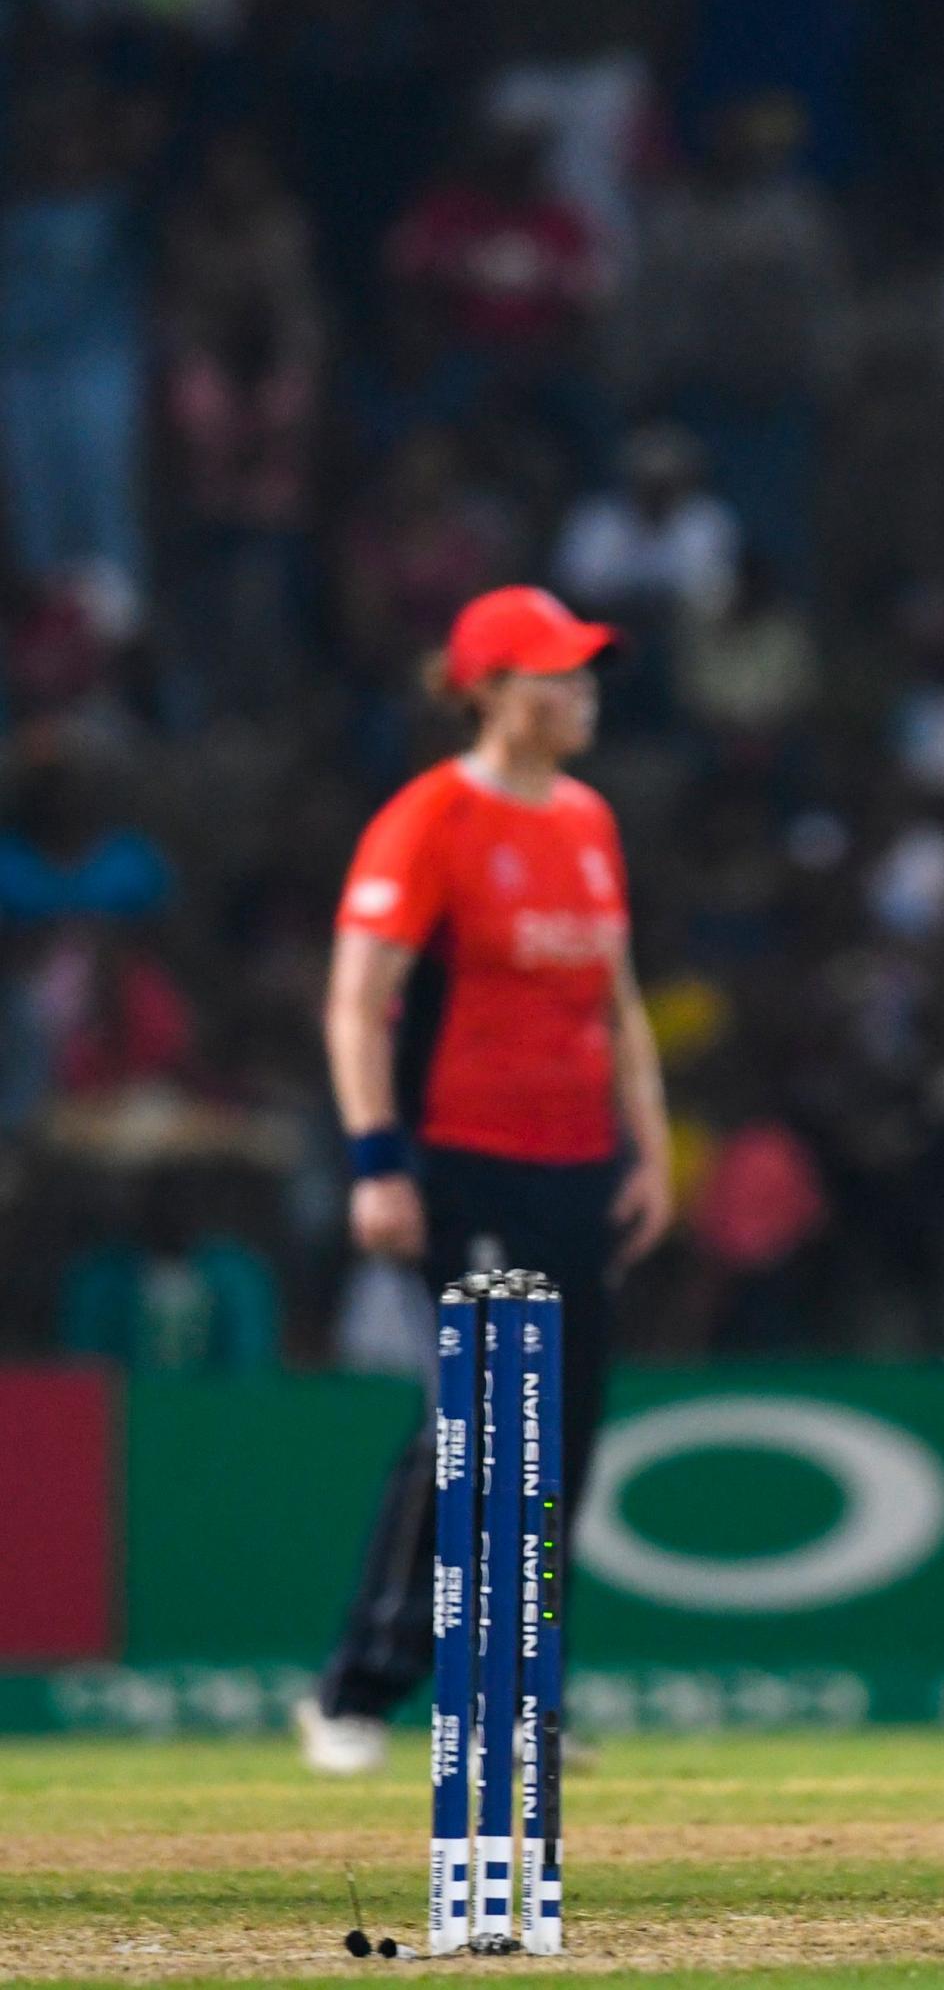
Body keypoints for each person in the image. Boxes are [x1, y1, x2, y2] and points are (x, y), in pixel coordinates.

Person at [294, 585, 673, 1774]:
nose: (581, 692)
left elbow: (615, 1001)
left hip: (574, 1168)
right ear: (490, 692)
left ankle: (515, 1710)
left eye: (585, 671)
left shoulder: (589, 821)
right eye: (554, 674)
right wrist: (375, 1160)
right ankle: (356, 1688)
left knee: (561, 1441)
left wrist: (649, 1147)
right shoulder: (429, 820)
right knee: (471, 1427)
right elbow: (357, 1002)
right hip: (460, 1163)